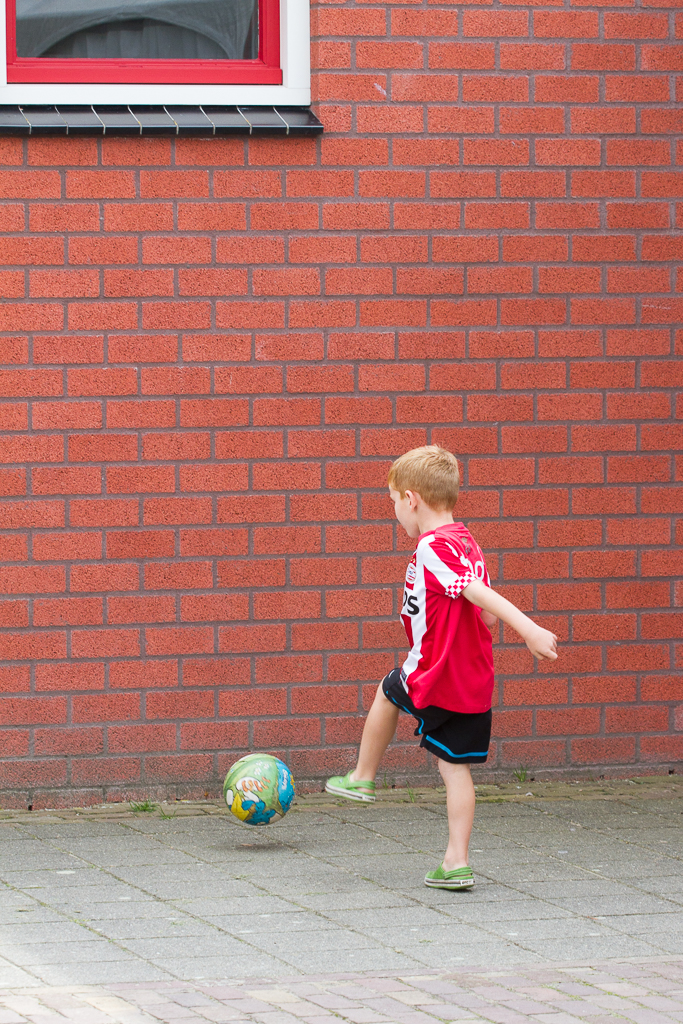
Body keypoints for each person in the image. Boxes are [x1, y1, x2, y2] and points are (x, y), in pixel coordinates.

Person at [325, 445, 558, 890]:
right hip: (473, 681)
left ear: (411, 499)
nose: (395, 511)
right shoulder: (467, 542)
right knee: (454, 770)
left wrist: (528, 629)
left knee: (389, 689)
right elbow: (484, 614)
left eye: (394, 501)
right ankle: (456, 862)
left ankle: (362, 777)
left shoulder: (433, 547)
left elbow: (478, 596)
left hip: (434, 672)